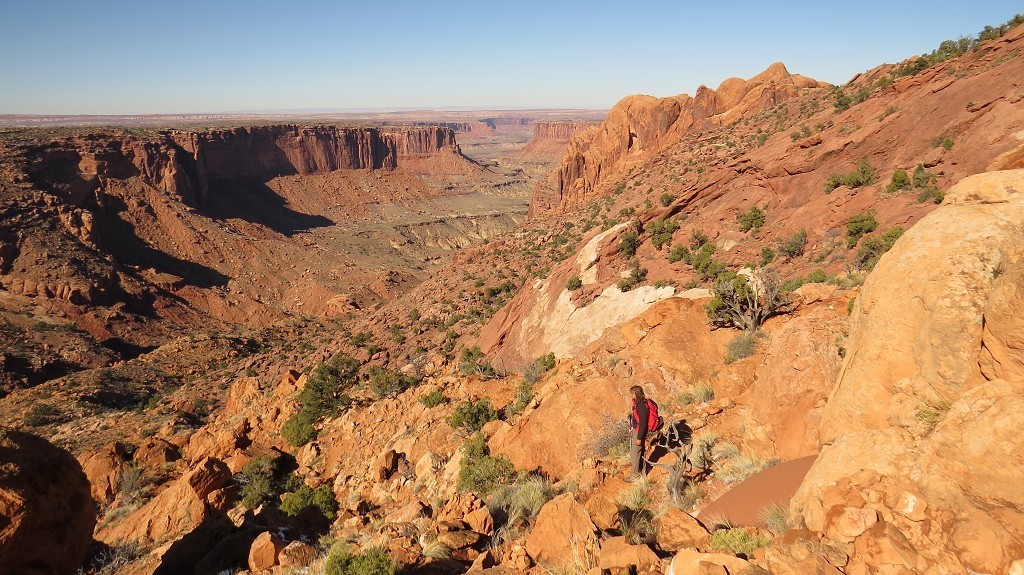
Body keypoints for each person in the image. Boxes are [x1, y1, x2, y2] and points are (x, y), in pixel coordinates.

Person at [628, 385, 650, 479]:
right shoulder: (639, 403)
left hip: (639, 432)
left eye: (632, 393)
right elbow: (637, 420)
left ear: (636, 393)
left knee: (635, 454)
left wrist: (639, 438)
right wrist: (633, 427)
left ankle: (634, 476)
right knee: (639, 452)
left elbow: (643, 423)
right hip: (637, 430)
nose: (631, 395)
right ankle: (641, 472)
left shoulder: (641, 406)